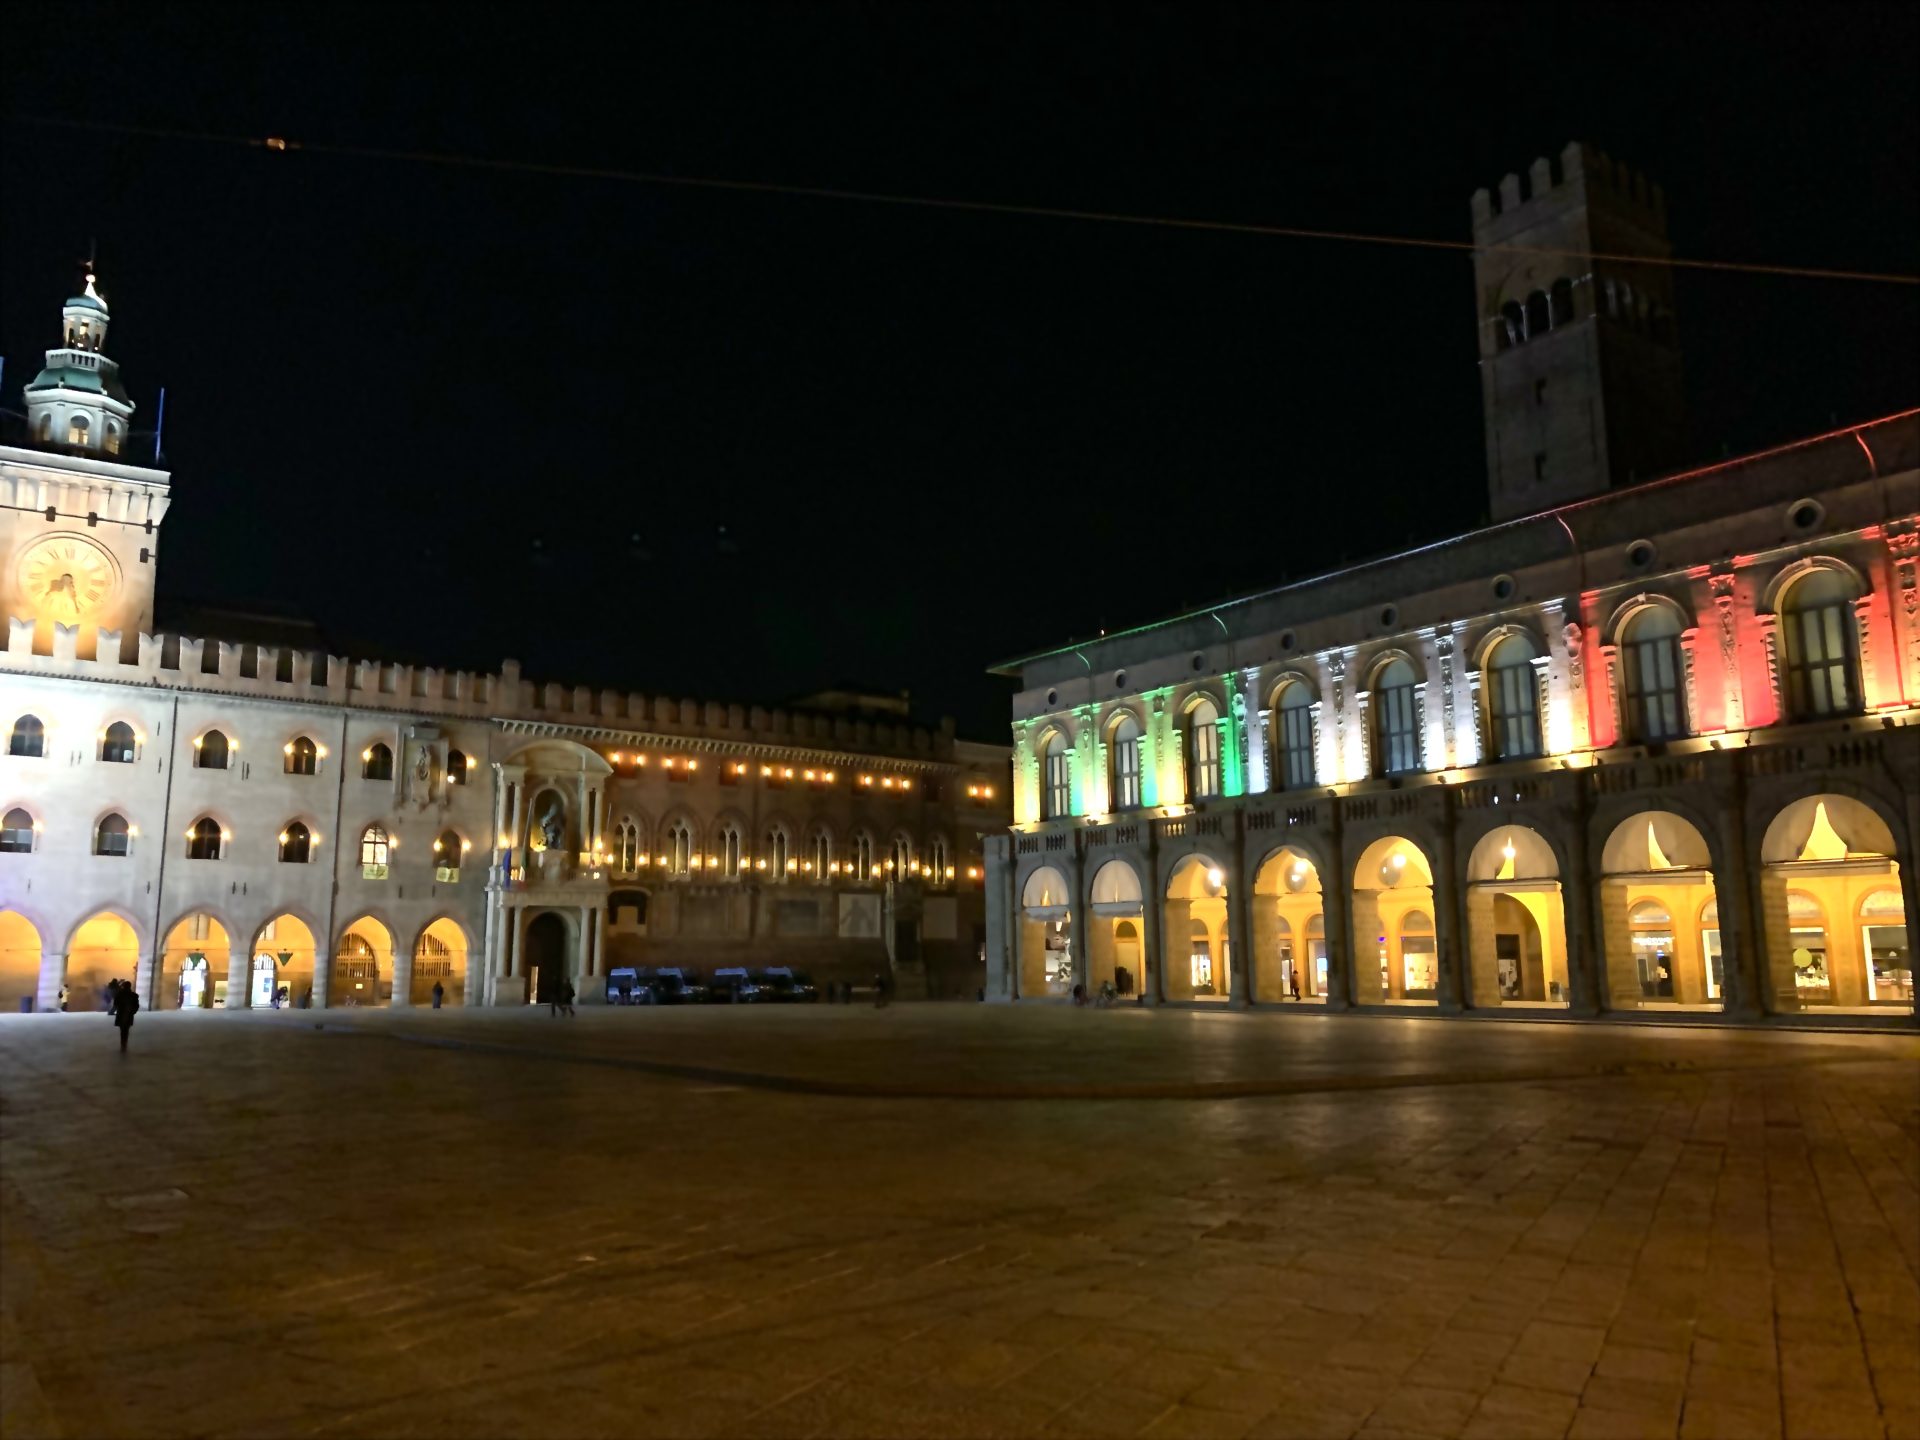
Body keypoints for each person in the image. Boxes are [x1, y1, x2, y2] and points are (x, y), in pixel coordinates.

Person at [111, 978, 140, 1053]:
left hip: (121, 1014)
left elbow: (115, 1004)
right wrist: (132, 1012)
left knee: (122, 1030)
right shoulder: (134, 995)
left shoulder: (119, 995)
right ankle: (124, 1044)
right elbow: (136, 1006)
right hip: (129, 1015)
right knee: (126, 1030)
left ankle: (123, 1044)